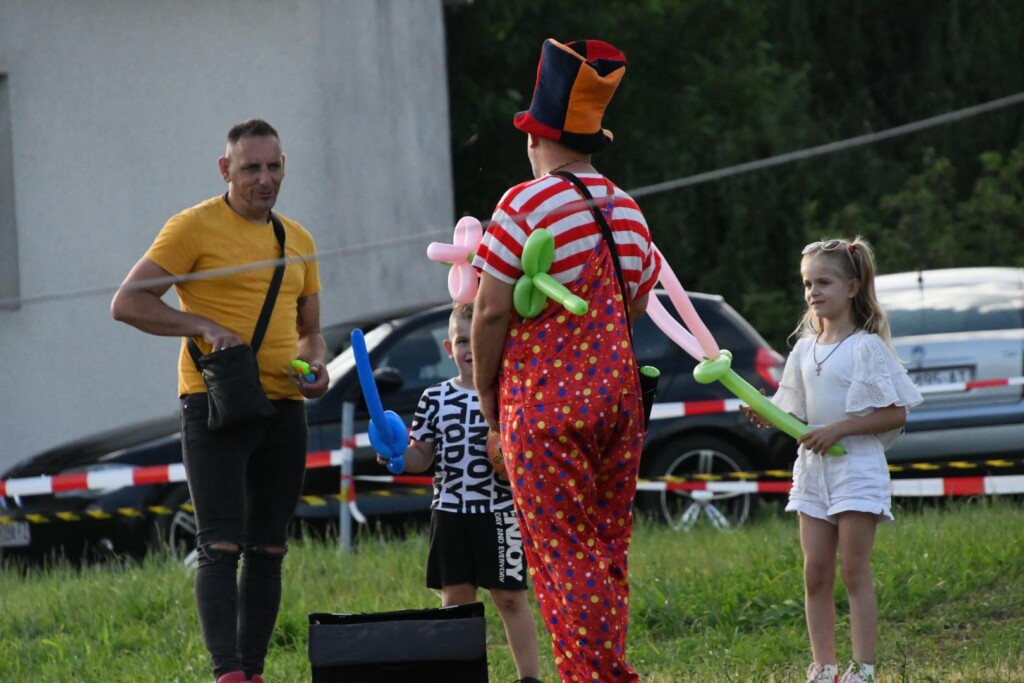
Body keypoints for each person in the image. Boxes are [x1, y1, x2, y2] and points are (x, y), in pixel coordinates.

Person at [111, 119, 328, 683]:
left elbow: (310, 332)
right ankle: (227, 673)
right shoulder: (192, 228)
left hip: (283, 406)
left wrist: (317, 368)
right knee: (221, 545)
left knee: (269, 549)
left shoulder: (298, 239)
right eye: (251, 167)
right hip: (213, 404)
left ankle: (252, 672)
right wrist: (202, 324)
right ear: (225, 169)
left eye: (274, 166)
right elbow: (128, 303)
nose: (264, 179)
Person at [471, 39, 660, 683]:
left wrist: (490, 401)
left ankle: (597, 677)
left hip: (545, 407)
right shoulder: (629, 210)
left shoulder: (523, 205)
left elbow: (491, 311)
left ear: (535, 139)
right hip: (620, 401)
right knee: (606, 547)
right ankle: (602, 667)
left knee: (560, 552)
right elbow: (634, 303)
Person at [743, 237, 922, 683]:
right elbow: (793, 409)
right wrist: (766, 413)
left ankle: (862, 670)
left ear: (852, 286)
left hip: (856, 467)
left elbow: (894, 412)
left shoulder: (866, 347)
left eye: (823, 282)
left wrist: (838, 428)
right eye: (807, 283)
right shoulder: (804, 348)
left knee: (853, 570)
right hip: (814, 472)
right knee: (815, 573)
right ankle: (823, 668)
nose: (812, 292)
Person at [380, 302, 542, 683]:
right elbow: (422, 454)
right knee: (455, 601)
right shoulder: (434, 399)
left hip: (500, 512)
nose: (471, 349)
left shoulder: (510, 394)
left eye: (478, 340)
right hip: (450, 512)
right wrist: (401, 457)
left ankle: (529, 678)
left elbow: (526, 453)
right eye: (461, 342)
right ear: (448, 349)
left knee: (509, 597)